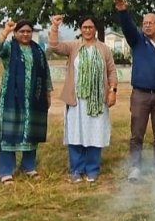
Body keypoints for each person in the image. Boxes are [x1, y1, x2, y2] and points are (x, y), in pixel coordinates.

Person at [115, 0, 155, 181]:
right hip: (140, 95)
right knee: (137, 133)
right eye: (144, 23)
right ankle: (135, 167)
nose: (147, 26)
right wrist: (123, 12)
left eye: (151, 23)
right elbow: (128, 28)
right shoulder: (137, 41)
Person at [49, 14, 117, 183]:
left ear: (95, 29)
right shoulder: (74, 46)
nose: (87, 30)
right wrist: (55, 27)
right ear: (80, 29)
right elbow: (54, 46)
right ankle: (76, 169)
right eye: (85, 27)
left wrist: (112, 90)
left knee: (95, 133)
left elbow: (112, 71)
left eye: (91, 27)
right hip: (77, 100)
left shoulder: (104, 49)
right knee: (75, 134)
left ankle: (92, 169)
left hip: (97, 101)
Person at [0, 19, 52, 184]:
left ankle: (28, 166)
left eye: (28, 31)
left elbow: (46, 74)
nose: (25, 34)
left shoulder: (38, 50)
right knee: (9, 131)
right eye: (21, 31)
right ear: (16, 33)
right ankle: (6, 170)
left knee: (31, 131)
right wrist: (5, 31)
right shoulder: (9, 48)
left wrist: (47, 93)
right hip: (11, 98)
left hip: (34, 99)